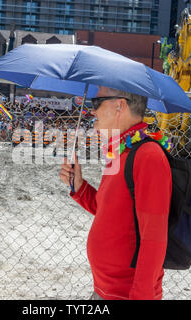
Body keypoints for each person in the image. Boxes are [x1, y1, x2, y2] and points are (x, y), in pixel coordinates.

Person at [59, 86, 172, 300]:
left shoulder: (148, 155)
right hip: (105, 290)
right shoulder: (122, 151)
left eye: (96, 103)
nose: (92, 111)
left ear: (119, 105)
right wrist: (80, 186)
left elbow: (155, 237)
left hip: (126, 295)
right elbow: (110, 212)